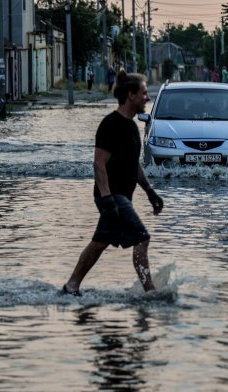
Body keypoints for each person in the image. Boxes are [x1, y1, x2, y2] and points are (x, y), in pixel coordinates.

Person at [63, 70, 165, 295]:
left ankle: (71, 286)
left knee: (100, 242)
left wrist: (149, 191)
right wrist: (108, 199)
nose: (147, 98)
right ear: (131, 95)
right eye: (144, 94)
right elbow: (99, 164)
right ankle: (150, 292)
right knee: (142, 237)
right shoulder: (111, 124)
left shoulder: (131, 126)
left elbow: (133, 164)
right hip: (112, 196)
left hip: (120, 197)